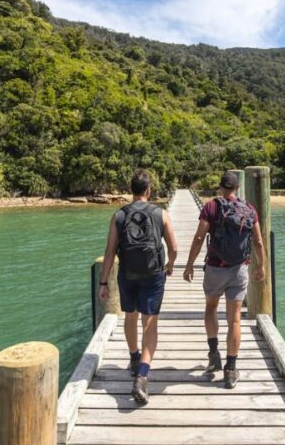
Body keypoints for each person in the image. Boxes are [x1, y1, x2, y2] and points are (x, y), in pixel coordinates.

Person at [99, 170, 178, 404]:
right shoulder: (161, 213)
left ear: (131, 190)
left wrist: (103, 282)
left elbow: (110, 251)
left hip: (127, 274)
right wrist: (170, 265)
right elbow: (173, 247)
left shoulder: (119, 215)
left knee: (130, 317)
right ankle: (142, 375)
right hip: (154, 274)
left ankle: (134, 358)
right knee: (150, 322)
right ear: (148, 190)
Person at [183, 171, 266, 389]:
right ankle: (231, 369)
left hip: (215, 267)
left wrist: (190, 264)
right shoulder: (249, 209)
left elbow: (200, 237)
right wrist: (262, 266)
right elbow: (257, 241)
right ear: (237, 188)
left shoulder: (211, 206)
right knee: (235, 319)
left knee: (211, 307)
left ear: (220, 187)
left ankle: (213, 353)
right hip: (239, 269)